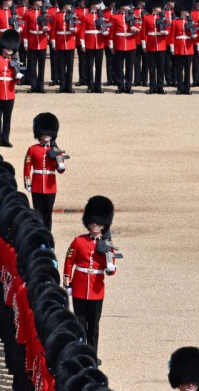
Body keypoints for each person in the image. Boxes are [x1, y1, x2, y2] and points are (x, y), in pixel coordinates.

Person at [64, 196, 117, 359]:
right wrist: (67, 282)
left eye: (98, 222)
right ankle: (81, 352)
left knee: (93, 326)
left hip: (96, 289)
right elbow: (69, 261)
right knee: (80, 324)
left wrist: (111, 267)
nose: (95, 225)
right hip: (80, 287)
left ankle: (92, 354)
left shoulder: (107, 244)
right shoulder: (79, 241)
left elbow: (111, 267)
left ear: (103, 224)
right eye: (93, 222)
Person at [23, 112, 66, 232]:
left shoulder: (56, 150)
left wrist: (61, 164)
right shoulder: (33, 149)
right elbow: (27, 166)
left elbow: (61, 169)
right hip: (36, 185)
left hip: (50, 186)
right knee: (38, 214)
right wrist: (28, 182)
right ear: (39, 134)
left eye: (48, 133)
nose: (46, 135)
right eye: (44, 133)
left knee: (48, 214)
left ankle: (47, 237)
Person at [0, 29, 22, 147]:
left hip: (10, 93)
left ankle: (5, 139)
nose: (10, 50)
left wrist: (18, 76)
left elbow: (15, 80)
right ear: (3, 47)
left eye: (11, 49)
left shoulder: (14, 62)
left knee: (7, 118)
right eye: (8, 48)